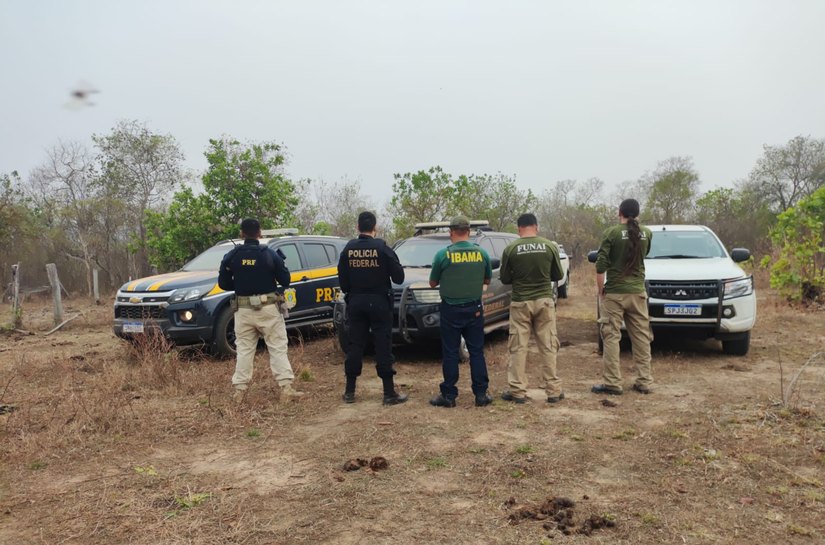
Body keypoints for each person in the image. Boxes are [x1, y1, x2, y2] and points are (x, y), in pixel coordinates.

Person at [218, 218, 305, 404]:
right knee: (277, 347)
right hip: (268, 309)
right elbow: (286, 280)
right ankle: (286, 389)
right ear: (260, 233)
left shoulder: (232, 255)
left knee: (244, 350)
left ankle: (239, 393)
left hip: (243, 310)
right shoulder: (270, 255)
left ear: (241, 233)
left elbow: (223, 283)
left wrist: (241, 283)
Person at [337, 211, 407, 405]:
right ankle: (388, 393)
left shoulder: (348, 249)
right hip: (379, 303)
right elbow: (399, 277)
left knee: (355, 345)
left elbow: (343, 282)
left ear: (358, 227)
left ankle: (350, 392)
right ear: (375, 228)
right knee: (383, 345)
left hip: (356, 302)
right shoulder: (382, 248)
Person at [499, 213, 565, 404]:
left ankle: (517, 391)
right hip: (544, 301)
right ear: (536, 226)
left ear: (519, 228)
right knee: (548, 345)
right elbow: (558, 274)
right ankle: (553, 390)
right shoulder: (549, 246)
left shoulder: (511, 248)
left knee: (518, 347)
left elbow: (504, 278)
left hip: (521, 302)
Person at [428, 216, 493, 408]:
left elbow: (432, 283)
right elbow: (487, 280)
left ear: (451, 232)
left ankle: (448, 396)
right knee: (476, 352)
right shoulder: (482, 253)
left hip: (450, 309)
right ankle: (481, 395)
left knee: (450, 352)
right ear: (469, 232)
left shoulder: (443, 255)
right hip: (474, 309)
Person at [592, 198, 654, 395]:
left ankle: (612, 382)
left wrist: (601, 290)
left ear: (619, 212)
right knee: (641, 337)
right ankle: (644, 380)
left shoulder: (611, 233)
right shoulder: (647, 233)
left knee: (611, 337)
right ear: (637, 213)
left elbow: (601, 266)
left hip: (616, 293)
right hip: (638, 292)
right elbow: (645, 255)